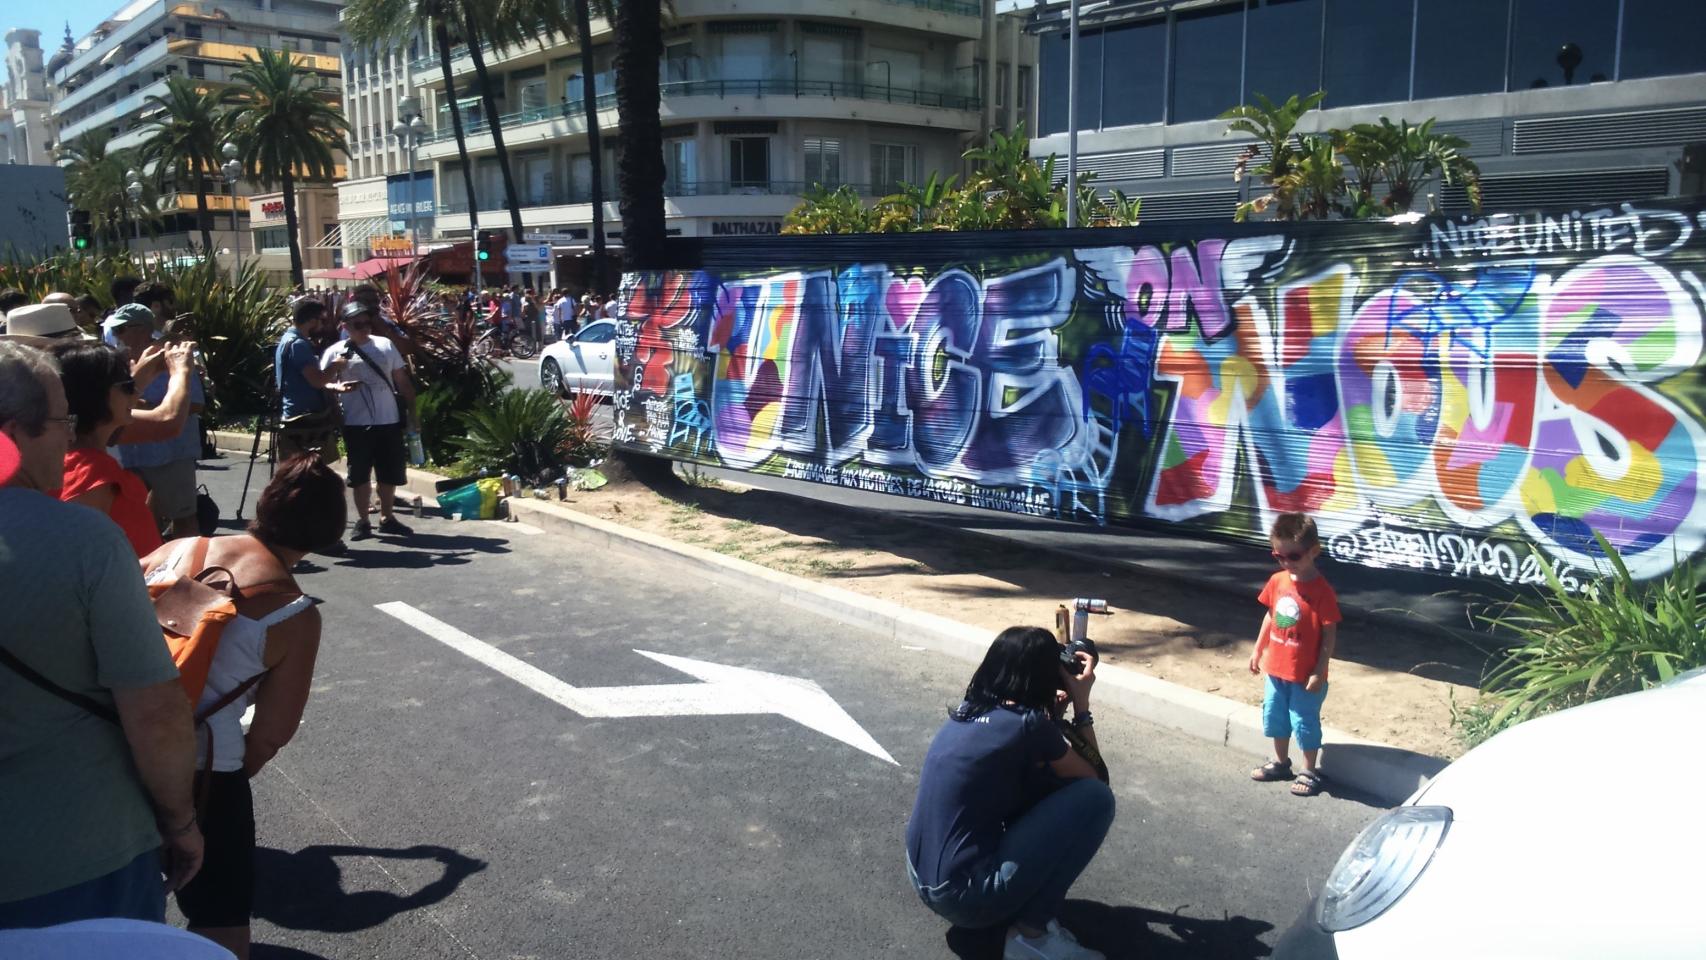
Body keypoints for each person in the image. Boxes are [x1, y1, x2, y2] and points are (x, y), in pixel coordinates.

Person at [0, 341, 204, 929]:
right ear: (13, 433)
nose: (68, 437)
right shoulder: (82, 540)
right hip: (73, 853)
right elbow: (155, 711)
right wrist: (180, 821)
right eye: (60, 422)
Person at [140, 454, 343, 958]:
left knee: (120, 902)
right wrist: (228, 780)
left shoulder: (176, 548)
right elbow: (271, 733)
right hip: (205, 767)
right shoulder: (293, 613)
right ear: (326, 533)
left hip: (114, 740)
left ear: (264, 506)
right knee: (221, 916)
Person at [906, 627, 1115, 960]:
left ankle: (1008, 907)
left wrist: (1052, 717)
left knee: (1039, 791)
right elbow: (1094, 775)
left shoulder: (971, 709)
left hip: (923, 877)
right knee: (1096, 800)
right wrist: (1081, 704)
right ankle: (1032, 937)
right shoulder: (1028, 725)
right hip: (964, 900)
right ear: (1045, 676)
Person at [52, 339, 195, 557]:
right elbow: (168, 420)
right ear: (96, 396)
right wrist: (181, 372)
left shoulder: (78, 456)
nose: (134, 393)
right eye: (127, 386)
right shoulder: (88, 473)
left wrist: (142, 375)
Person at [1248, 512, 1342, 798]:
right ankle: (1280, 762)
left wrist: (1319, 670)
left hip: (1305, 675)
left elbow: (1329, 633)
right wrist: (1258, 649)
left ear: (1314, 551)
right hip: (1276, 669)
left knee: (1303, 721)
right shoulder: (1277, 581)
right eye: (1279, 556)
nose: (1287, 562)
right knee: (1274, 715)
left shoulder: (1322, 591)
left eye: (1294, 556)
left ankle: (1309, 769)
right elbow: (1270, 615)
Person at [320, 300, 414, 540]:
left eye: (367, 323)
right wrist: (338, 388)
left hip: (388, 419)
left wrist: (413, 412)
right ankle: (363, 521)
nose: (364, 328)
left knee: (389, 472)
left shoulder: (385, 345)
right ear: (345, 326)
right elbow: (323, 383)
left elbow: (402, 380)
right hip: (356, 422)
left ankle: (387, 517)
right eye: (357, 324)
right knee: (360, 473)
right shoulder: (335, 352)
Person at [114, 309, 208, 540]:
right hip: (130, 455)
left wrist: (149, 407)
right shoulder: (116, 362)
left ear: (144, 329)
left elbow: (197, 404)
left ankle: (188, 560)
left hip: (170, 454)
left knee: (183, 518)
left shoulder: (175, 358)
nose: (117, 335)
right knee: (138, 520)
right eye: (115, 330)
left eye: (121, 329)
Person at [275, 299, 353, 463]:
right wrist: (336, 365)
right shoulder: (299, 345)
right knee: (310, 471)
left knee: (302, 471)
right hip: (305, 419)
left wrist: (333, 387)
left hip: (296, 415)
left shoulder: (287, 339)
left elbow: (304, 380)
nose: (323, 325)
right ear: (312, 320)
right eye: (321, 320)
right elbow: (317, 381)